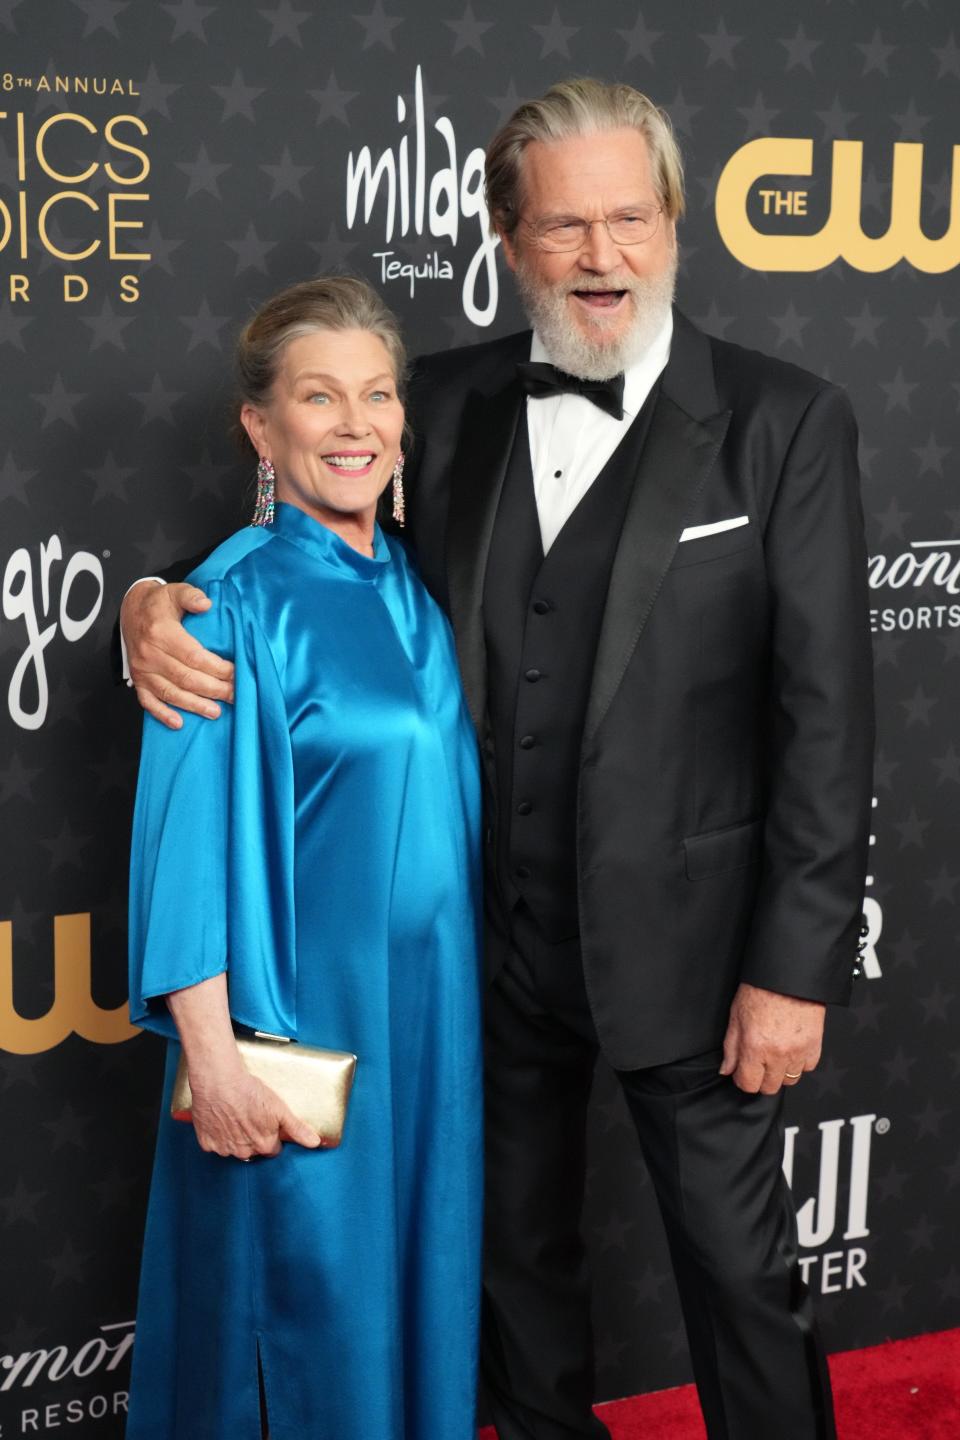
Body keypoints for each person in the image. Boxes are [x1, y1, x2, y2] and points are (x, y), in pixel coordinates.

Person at [120, 80, 874, 1440]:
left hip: (696, 963)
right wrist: (153, 603)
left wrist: (791, 970)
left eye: (630, 220)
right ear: (508, 239)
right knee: (516, 1281)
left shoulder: (784, 422)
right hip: (483, 964)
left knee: (741, 1281)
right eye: (566, 227)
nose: (602, 258)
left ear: (675, 227)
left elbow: (828, 718)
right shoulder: (446, 404)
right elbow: (306, 555)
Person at [124, 275, 483, 1440]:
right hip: (297, 1047)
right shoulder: (227, 604)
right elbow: (184, 852)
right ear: (259, 427)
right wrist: (214, 1060)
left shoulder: (415, 591)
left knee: (409, 1313)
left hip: (428, 1043)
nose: (354, 424)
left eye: (376, 396)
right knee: (294, 1333)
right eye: (317, 397)